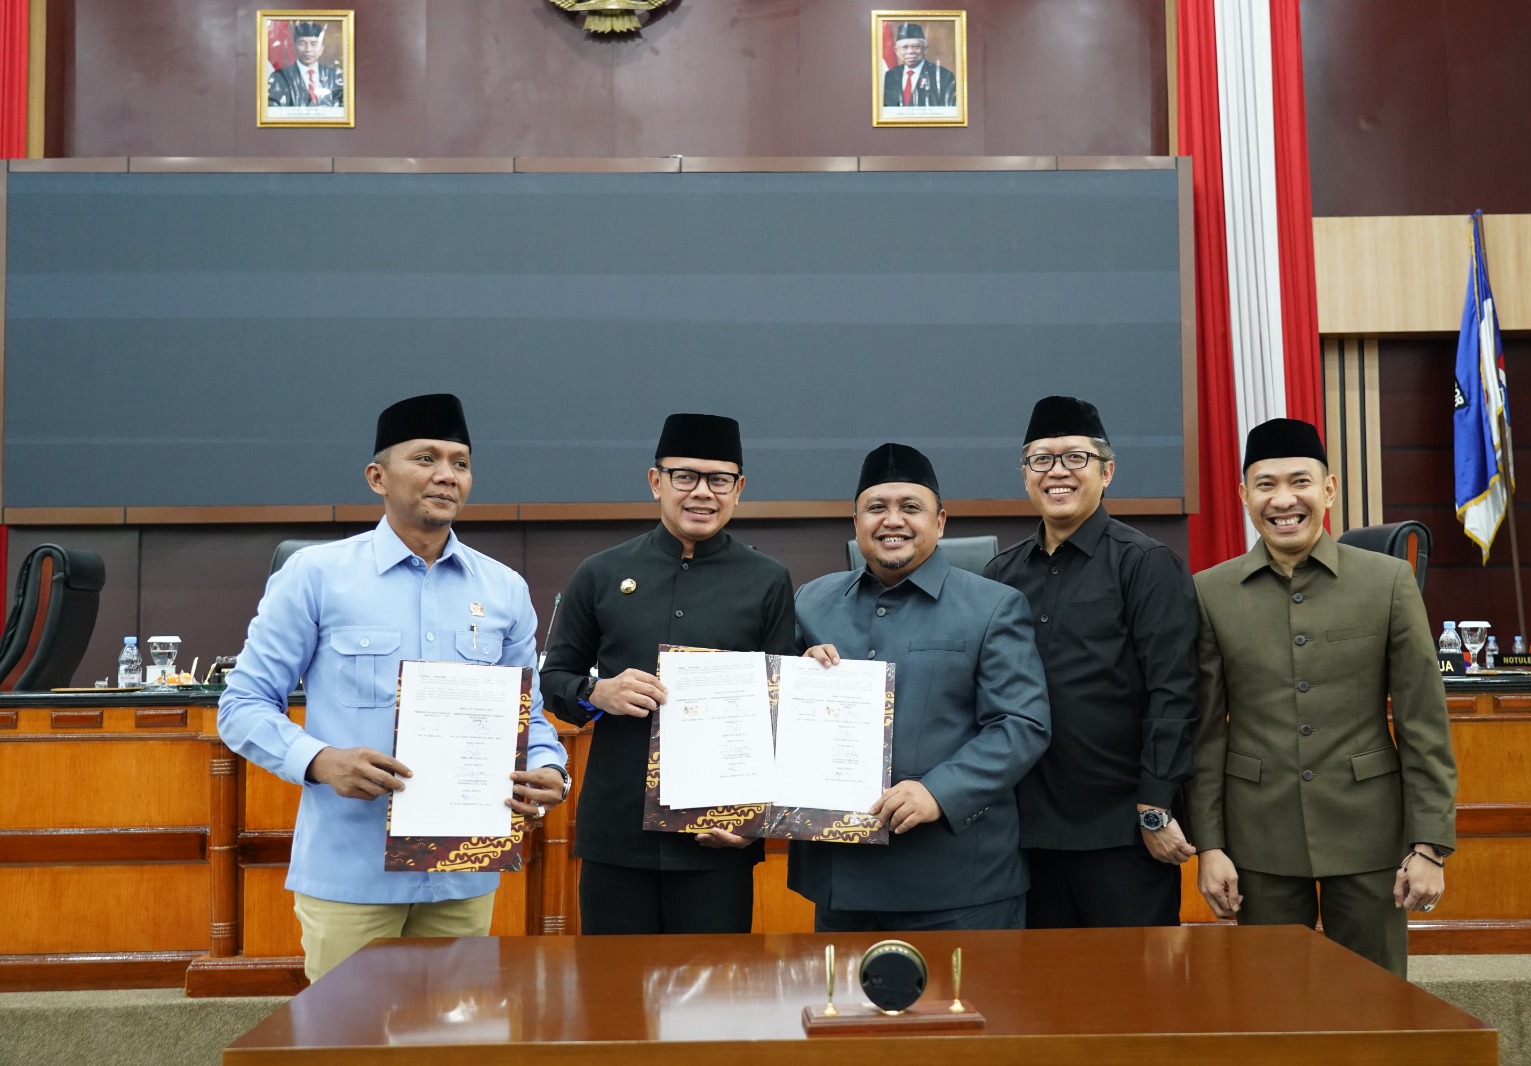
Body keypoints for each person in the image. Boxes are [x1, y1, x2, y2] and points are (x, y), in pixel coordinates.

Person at [219, 393, 569, 982]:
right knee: (348, 1040)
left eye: (460, 463)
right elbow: (242, 704)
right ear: (377, 476)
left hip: (463, 866)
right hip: (352, 868)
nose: (446, 476)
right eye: (426, 458)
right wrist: (320, 760)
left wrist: (548, 766)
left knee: (453, 1039)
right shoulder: (316, 576)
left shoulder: (505, 589)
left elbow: (526, 713)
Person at [1187, 417, 1457, 976]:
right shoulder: (1210, 591)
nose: (1283, 499)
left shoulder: (1387, 582)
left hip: (1370, 834)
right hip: (1257, 838)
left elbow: (1423, 723)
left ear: (1328, 489)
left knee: (1376, 1007)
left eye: (1300, 482)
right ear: (1244, 495)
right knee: (1270, 1009)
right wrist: (1209, 847)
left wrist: (1429, 846)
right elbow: (1206, 732)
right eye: (1265, 484)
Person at [539, 413, 796, 935]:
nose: (702, 493)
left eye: (718, 480)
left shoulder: (768, 580)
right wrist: (597, 693)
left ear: (739, 489)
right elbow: (554, 679)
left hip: (715, 836)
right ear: (655, 481)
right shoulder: (601, 572)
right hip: (617, 832)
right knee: (612, 999)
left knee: (712, 1006)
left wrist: (752, 821)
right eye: (685, 477)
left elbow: (781, 709)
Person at [790, 443, 1051, 931]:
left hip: (957, 884)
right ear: (856, 522)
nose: (893, 520)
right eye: (876, 508)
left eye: (910, 507)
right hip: (840, 882)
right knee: (840, 1010)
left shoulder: (994, 605)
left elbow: (1021, 724)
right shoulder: (812, 601)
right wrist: (792, 682)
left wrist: (938, 791)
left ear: (941, 522)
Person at [984, 396, 1199, 928]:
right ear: (1026, 476)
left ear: (1107, 472)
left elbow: (1174, 692)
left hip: (1122, 832)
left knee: (1134, 997)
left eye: (1075, 457)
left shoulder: (1146, 565)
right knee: (1039, 995)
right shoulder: (999, 575)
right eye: (1042, 459)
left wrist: (1155, 804)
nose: (1058, 471)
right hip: (1024, 832)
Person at [266, 21, 344, 109]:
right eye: (302, 43)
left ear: (321, 48)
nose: (308, 49)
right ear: (294, 47)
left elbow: (342, 108)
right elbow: (273, 110)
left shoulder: (333, 76)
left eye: (314, 44)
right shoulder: (281, 77)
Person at [881, 23, 957, 109]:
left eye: (916, 47)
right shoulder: (890, 76)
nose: (910, 51)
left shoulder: (944, 76)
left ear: (925, 49)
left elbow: (949, 111)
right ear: (896, 51)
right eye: (905, 47)